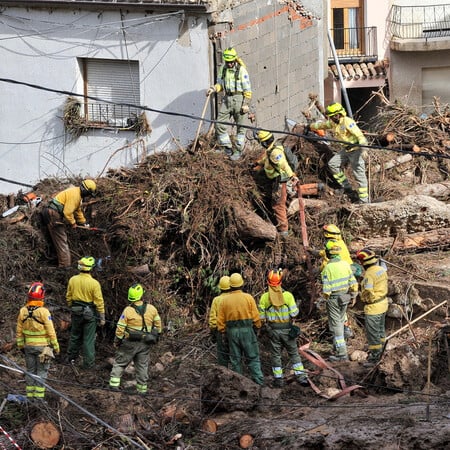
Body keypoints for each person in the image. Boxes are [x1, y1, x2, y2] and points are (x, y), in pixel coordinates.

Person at [310, 103, 369, 203]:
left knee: (359, 175)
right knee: (333, 164)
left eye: (332, 117)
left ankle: (364, 201)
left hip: (356, 150)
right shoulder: (334, 123)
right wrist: (310, 126)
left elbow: (360, 136)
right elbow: (323, 125)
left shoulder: (347, 122)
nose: (331, 119)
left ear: (338, 115)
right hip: (346, 150)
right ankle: (346, 187)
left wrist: (364, 150)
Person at [258, 269, 308, 388]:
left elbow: (261, 317)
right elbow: (295, 314)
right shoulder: (288, 296)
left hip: (273, 331)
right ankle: (301, 377)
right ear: (281, 281)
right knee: (294, 353)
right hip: (287, 330)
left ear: (268, 282)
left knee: (275, 355)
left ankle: (278, 380)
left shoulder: (264, 298)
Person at [109, 283, 162, 394]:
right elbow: (158, 324)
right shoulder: (152, 309)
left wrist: (117, 340)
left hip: (129, 342)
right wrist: (157, 335)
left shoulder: (128, 310)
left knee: (120, 363)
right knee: (142, 366)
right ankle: (142, 390)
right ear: (142, 295)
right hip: (145, 343)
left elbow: (120, 328)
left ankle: (114, 386)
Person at [216, 272, 264, 385]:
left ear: (230, 286)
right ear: (242, 284)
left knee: (235, 360)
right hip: (247, 331)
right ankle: (258, 382)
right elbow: (256, 317)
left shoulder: (224, 301)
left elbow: (220, 321)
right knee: (252, 357)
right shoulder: (248, 298)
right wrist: (257, 327)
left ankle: (239, 384)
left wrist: (223, 332)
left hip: (231, 333)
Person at [16, 282, 60, 400]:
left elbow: (19, 331)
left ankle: (30, 397)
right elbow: (51, 331)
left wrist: (21, 346)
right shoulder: (44, 312)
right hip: (43, 348)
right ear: (42, 296)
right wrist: (56, 347)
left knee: (30, 371)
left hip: (28, 347)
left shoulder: (23, 311)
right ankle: (39, 399)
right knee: (42, 371)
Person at [207, 47, 252, 160]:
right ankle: (227, 147)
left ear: (235, 60)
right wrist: (213, 88)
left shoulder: (241, 70)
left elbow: (247, 89)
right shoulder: (223, 69)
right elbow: (220, 84)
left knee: (240, 127)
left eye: (231, 62)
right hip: (227, 99)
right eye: (228, 62)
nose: (230, 64)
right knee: (219, 123)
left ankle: (238, 150)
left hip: (239, 99)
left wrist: (246, 103)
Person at [40, 179, 97, 268]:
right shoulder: (76, 196)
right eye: (89, 194)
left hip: (51, 212)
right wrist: (73, 223)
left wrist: (83, 222)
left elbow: (78, 211)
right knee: (61, 239)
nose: (88, 197)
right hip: (53, 214)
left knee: (57, 239)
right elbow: (67, 212)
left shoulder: (77, 194)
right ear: (85, 191)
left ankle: (60, 261)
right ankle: (65, 266)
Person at [254, 130, 299, 238]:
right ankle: (317, 188)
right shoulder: (272, 149)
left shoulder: (275, 152)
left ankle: (283, 231)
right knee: (287, 195)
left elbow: (283, 164)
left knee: (278, 205)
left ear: (264, 142)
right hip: (278, 180)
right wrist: (258, 163)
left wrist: (292, 175)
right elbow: (267, 159)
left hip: (279, 181)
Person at [320, 241, 358, 362]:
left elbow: (326, 290)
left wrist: (325, 300)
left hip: (334, 299)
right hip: (345, 297)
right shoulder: (346, 265)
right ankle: (338, 347)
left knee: (336, 326)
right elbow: (353, 282)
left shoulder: (327, 269)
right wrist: (353, 295)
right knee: (341, 321)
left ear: (328, 254)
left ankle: (342, 354)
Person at [65, 256, 105, 369]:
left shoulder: (73, 279)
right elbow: (99, 302)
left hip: (76, 312)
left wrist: (72, 307)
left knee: (75, 335)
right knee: (88, 339)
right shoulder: (94, 283)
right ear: (91, 268)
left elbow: (68, 297)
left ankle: (70, 358)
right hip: (89, 315)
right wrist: (102, 317)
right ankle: (89, 364)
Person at [355, 249, 388, 367]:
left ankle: (375, 358)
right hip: (383, 304)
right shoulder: (381, 270)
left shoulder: (369, 275)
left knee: (373, 334)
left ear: (364, 263)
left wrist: (363, 297)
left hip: (373, 308)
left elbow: (368, 291)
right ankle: (384, 352)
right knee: (380, 331)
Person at [209, 276, 231, 367]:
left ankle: (224, 373)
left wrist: (213, 330)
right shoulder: (234, 298)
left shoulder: (216, 300)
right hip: (233, 329)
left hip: (221, 331)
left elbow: (213, 318)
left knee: (222, 355)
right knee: (235, 353)